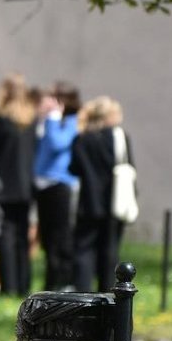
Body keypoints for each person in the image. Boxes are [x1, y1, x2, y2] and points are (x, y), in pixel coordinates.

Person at [71, 96, 131, 293]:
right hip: (114, 201)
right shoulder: (119, 138)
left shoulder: (82, 138)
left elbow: (74, 168)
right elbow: (129, 167)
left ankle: (83, 291)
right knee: (110, 250)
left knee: (84, 250)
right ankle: (107, 292)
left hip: (88, 201)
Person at [0, 74, 39, 297]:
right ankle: (23, 283)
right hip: (27, 184)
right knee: (21, 234)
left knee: (6, 235)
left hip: (5, 185)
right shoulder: (31, 119)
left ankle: (8, 284)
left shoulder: (2, 118)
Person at [33, 82, 81, 291]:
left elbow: (57, 144)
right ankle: (51, 280)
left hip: (60, 183)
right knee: (48, 236)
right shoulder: (48, 120)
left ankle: (65, 279)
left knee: (61, 235)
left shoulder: (71, 121)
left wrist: (52, 118)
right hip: (43, 184)